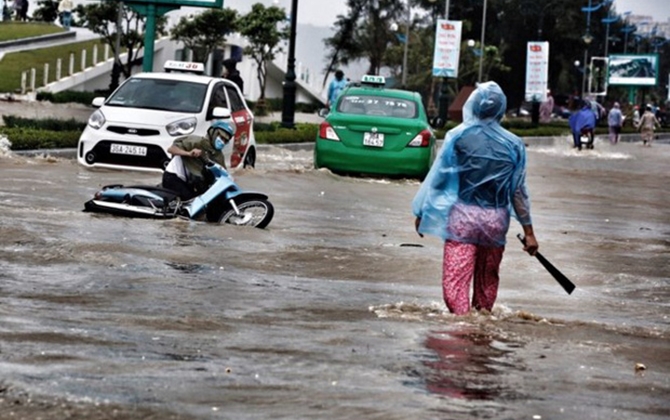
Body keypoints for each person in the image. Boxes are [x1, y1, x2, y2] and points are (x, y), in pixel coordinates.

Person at [411, 81, 538, 315]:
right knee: (487, 279)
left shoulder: (458, 138)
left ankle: (461, 328)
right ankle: (481, 333)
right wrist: (529, 232)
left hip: (463, 219)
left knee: (455, 281)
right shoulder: (514, 144)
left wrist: (422, 212)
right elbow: (518, 192)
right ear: (501, 109)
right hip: (495, 221)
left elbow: (438, 179)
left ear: (475, 107)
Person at [162, 120, 235, 201]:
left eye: (225, 141)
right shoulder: (196, 141)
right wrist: (188, 153)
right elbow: (171, 149)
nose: (222, 142)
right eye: (221, 138)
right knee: (192, 203)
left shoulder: (218, 155)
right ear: (213, 133)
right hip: (173, 177)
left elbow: (222, 172)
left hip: (191, 182)